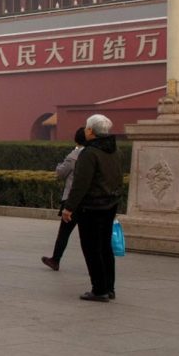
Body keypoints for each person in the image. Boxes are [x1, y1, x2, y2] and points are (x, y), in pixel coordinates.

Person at [61, 114, 122, 302]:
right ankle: (109, 287)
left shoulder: (89, 153)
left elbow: (81, 184)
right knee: (105, 247)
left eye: (87, 127)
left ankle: (99, 289)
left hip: (91, 206)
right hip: (110, 204)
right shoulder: (114, 150)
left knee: (91, 248)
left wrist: (69, 207)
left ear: (91, 131)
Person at [42, 127, 87, 271]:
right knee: (88, 237)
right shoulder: (94, 154)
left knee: (64, 233)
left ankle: (55, 259)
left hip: (71, 199)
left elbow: (61, 173)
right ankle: (94, 267)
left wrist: (58, 166)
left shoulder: (74, 155)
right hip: (89, 200)